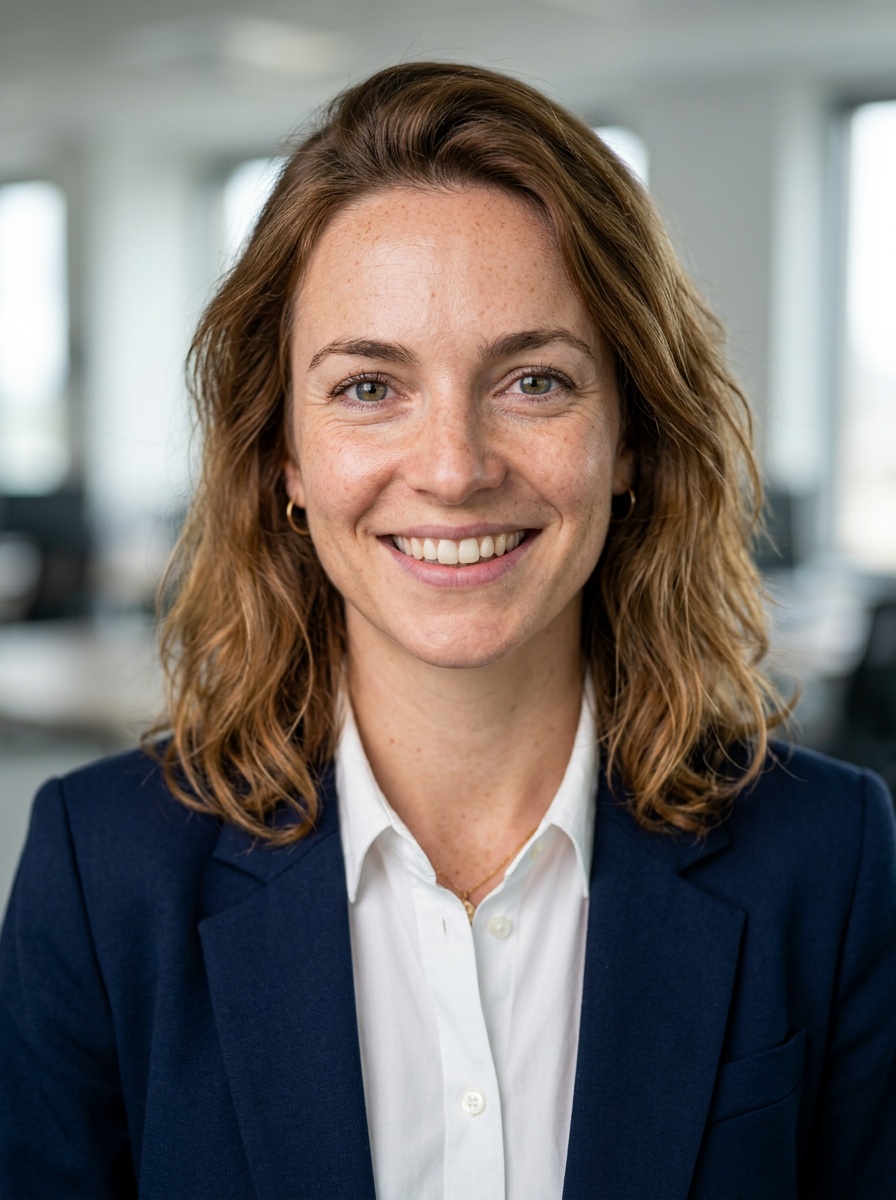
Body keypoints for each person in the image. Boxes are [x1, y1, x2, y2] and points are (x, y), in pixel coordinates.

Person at [1, 61, 894, 1200]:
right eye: (369, 388)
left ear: (629, 436)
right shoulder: (102, 872)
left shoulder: (825, 857)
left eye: (532, 379)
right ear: (283, 454)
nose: (454, 469)